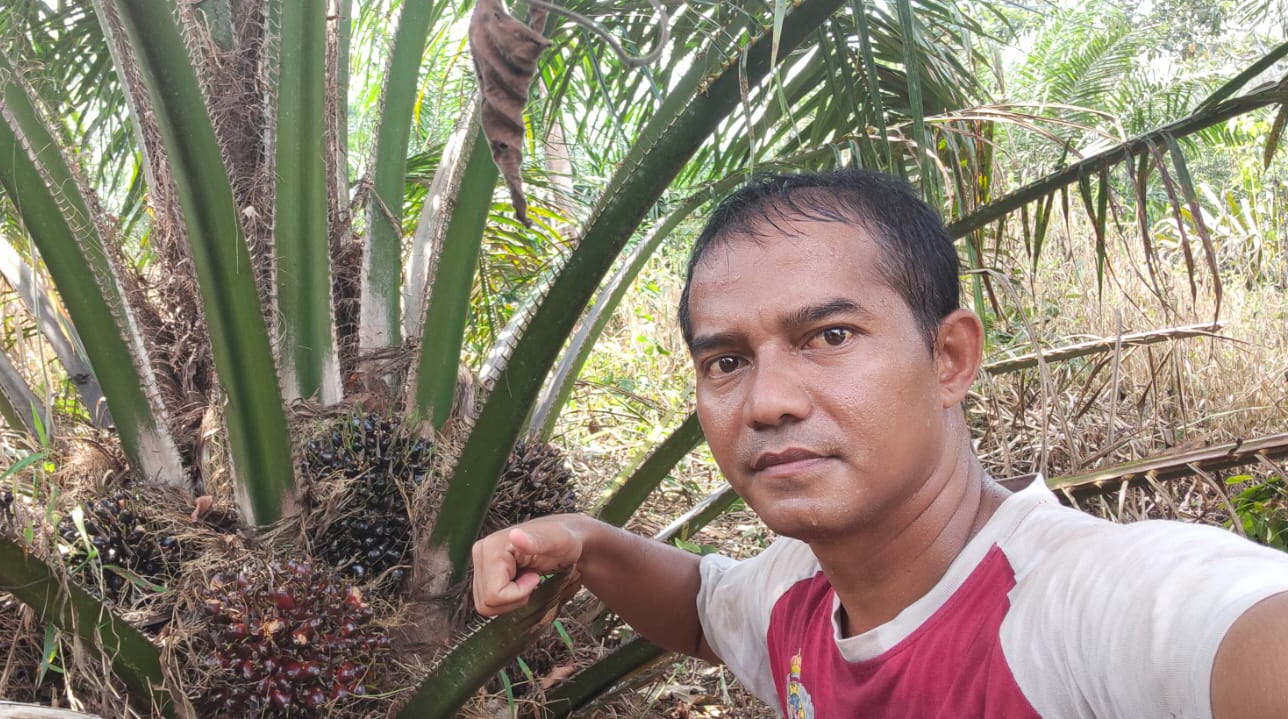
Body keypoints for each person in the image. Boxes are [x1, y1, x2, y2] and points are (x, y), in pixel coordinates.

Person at [471, 170, 1288, 718]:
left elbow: (1226, 626)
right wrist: (581, 539)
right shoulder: (800, 594)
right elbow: (696, 608)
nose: (769, 400)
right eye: (726, 360)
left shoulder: (1077, 606)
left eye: (828, 334)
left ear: (950, 357)